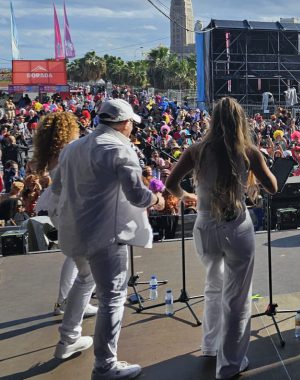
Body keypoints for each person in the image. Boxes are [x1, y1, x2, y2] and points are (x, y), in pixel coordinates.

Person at [51, 98, 163, 379]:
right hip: (105, 235)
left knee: (85, 279)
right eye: (130, 125)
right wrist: (158, 198)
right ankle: (105, 366)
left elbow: (57, 187)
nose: (131, 131)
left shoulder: (72, 148)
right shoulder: (119, 149)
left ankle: (67, 340)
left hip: (74, 230)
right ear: (124, 123)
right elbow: (138, 196)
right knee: (113, 297)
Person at [166, 97, 277, 380]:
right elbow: (273, 187)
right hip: (236, 227)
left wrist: (187, 196)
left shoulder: (196, 150)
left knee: (213, 285)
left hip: (204, 227)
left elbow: (170, 184)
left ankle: (210, 346)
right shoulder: (249, 152)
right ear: (241, 121)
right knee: (237, 299)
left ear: (214, 120)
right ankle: (229, 366)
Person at [31, 112, 98, 317]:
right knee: (87, 260)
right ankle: (72, 304)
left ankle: (65, 301)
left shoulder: (50, 153)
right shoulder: (69, 150)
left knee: (75, 256)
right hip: (71, 205)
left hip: (58, 206)